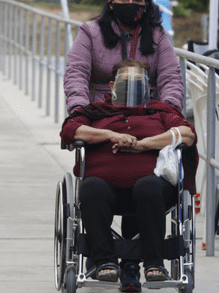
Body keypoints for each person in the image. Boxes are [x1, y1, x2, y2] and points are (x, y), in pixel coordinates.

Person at [60, 59, 198, 290]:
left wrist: (145, 144)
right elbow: (70, 130)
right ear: (112, 85)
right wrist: (110, 135)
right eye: (126, 81)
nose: (132, 86)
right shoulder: (96, 113)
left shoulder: (160, 112)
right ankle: (105, 261)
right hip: (104, 186)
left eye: (138, 81)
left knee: (147, 187)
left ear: (148, 87)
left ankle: (154, 264)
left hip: (152, 188)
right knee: (91, 187)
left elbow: (186, 134)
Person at [64, 0, 184, 115]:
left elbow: (171, 77)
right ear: (111, 4)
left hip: (146, 114)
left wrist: (169, 108)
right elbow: (76, 73)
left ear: (146, 5)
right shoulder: (89, 31)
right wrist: (80, 109)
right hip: (100, 112)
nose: (130, 3)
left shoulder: (157, 34)